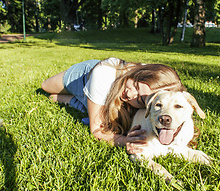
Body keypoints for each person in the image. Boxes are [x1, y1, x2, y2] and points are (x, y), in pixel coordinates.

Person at [41, 57, 186, 153]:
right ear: (138, 72)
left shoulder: (154, 95)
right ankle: (79, 97)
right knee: (45, 86)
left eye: (140, 100)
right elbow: (97, 130)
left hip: (100, 92)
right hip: (85, 76)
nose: (130, 95)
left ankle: (79, 101)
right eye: (135, 85)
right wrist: (124, 141)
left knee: (97, 108)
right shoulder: (103, 73)